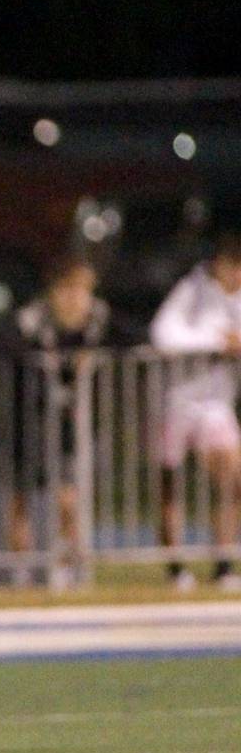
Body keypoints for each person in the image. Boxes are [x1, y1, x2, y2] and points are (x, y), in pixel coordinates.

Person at [0, 256, 140, 588]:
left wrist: (96, 355)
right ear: (55, 290)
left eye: (84, 290)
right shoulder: (33, 319)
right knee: (20, 498)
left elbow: (136, 336)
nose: (77, 298)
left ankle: (65, 564)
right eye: (70, 289)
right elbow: (0, 340)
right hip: (26, 419)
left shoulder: (96, 319)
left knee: (68, 498)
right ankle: (21, 571)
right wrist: (38, 362)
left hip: (67, 424)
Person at [149, 232, 241, 592]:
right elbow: (163, 333)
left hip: (215, 403)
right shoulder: (191, 289)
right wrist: (217, 342)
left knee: (234, 479)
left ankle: (223, 562)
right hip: (175, 401)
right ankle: (175, 566)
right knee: (171, 484)